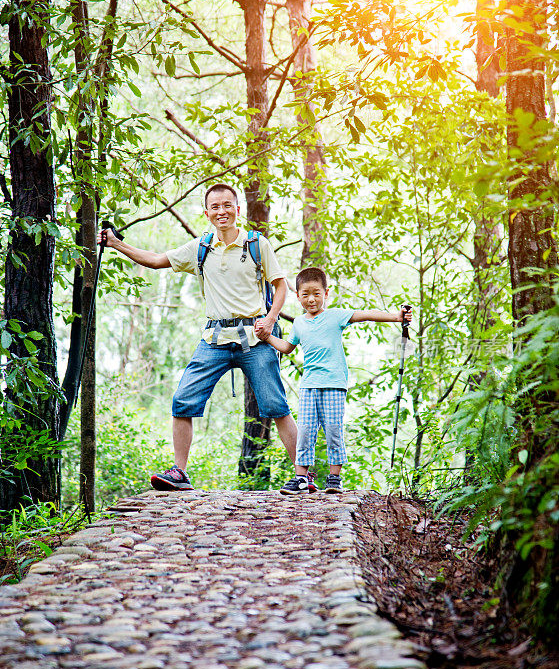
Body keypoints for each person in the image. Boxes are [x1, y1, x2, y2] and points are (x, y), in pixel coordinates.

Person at [98, 183, 297, 490]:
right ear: (207, 213)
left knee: (276, 406)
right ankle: (179, 473)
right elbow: (154, 260)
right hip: (215, 339)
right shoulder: (200, 248)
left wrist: (270, 320)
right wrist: (114, 244)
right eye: (215, 207)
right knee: (182, 401)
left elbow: (280, 285)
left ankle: (302, 474)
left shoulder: (257, 245)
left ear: (237, 209)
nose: (222, 212)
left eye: (227, 205)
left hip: (256, 339)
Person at [256, 266, 412, 494]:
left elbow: (364, 314)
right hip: (309, 385)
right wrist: (267, 337)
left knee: (333, 429)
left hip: (334, 385)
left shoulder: (335, 316)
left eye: (317, 293)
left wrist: (396, 317)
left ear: (326, 294)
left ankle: (334, 478)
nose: (311, 299)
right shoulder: (299, 323)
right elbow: (287, 348)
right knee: (306, 430)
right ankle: (302, 478)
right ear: (298, 296)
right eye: (306, 294)